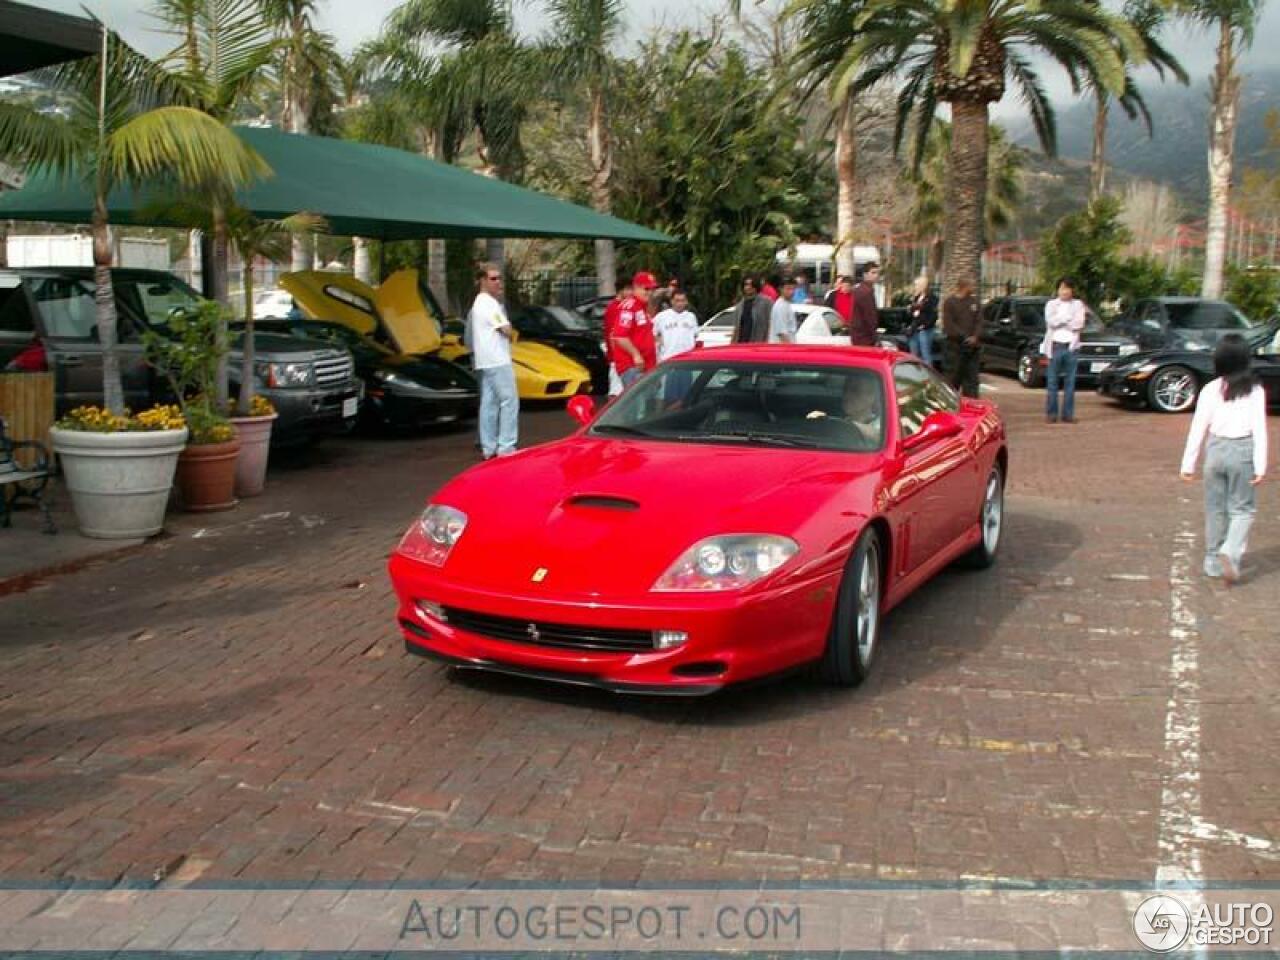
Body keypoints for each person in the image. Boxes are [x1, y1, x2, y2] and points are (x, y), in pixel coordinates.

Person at [1180, 334, 1268, 584]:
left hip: (1215, 450)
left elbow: (1198, 427)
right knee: (1242, 509)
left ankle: (1212, 560)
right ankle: (1231, 550)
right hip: (1242, 451)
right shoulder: (1255, 390)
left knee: (1215, 508)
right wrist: (1260, 464)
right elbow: (1259, 429)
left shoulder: (1210, 389)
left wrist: (1188, 463)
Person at [468, 262, 518, 459]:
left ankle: (488, 447)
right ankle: (506, 446)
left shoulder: (478, 303)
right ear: (482, 280)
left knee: (489, 404)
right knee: (509, 401)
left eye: (499, 278)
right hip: (498, 360)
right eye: (493, 278)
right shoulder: (489, 303)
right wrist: (509, 329)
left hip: (486, 360)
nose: (498, 282)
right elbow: (505, 329)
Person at [1041, 277, 1087, 423]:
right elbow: (1051, 322)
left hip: (1071, 347)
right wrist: (1066, 319)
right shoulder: (1051, 304)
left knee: (1070, 382)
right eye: (1061, 288)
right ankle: (1051, 414)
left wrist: (1062, 320)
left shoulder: (1078, 305)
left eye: (1067, 288)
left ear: (1072, 290)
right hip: (1055, 346)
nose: (1064, 291)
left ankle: (1068, 414)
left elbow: (1078, 324)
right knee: (1052, 382)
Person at [612, 271, 658, 388]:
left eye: (652, 289)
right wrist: (636, 355)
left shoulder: (642, 307)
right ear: (636, 288)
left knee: (647, 403)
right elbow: (619, 335)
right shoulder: (629, 307)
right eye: (646, 289)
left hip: (646, 366)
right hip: (633, 367)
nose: (650, 293)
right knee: (638, 404)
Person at [941, 277, 983, 398]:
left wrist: (975, 336)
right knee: (952, 381)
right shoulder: (950, 303)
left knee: (972, 382)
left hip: (972, 350)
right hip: (955, 349)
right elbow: (949, 325)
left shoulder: (974, 303)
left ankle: (972, 408)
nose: (973, 287)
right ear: (964, 286)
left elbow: (979, 321)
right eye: (971, 285)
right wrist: (964, 337)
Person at [652, 290, 699, 362]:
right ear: (671, 301)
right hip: (668, 358)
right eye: (677, 300)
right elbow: (653, 333)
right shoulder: (661, 316)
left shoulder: (691, 317)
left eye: (682, 300)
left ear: (686, 302)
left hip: (687, 359)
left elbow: (695, 335)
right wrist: (660, 343)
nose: (680, 303)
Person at [603, 279, 631, 397]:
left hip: (626, 359)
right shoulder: (614, 308)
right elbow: (612, 335)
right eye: (629, 289)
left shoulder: (625, 307)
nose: (631, 292)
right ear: (621, 290)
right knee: (616, 393)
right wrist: (617, 357)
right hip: (618, 360)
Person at [905, 275, 938, 367]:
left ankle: (928, 376)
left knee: (925, 354)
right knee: (913, 354)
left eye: (917, 285)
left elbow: (933, 314)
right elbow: (911, 311)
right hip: (914, 327)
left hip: (924, 329)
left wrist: (925, 325)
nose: (915, 287)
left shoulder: (931, 297)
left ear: (923, 285)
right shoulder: (916, 297)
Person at [731, 275, 772, 344]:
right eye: (746, 284)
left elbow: (770, 325)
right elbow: (736, 329)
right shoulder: (739, 306)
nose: (748, 287)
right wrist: (732, 345)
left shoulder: (766, 302)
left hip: (759, 346)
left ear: (756, 286)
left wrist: (767, 343)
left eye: (751, 284)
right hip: (741, 346)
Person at [849, 261, 880, 347]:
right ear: (865, 274)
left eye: (877, 273)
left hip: (859, 335)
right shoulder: (865, 292)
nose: (876, 275)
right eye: (873, 273)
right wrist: (875, 337)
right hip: (864, 337)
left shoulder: (860, 289)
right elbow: (870, 317)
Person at [769, 278, 798, 343]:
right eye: (788, 289)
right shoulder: (781, 306)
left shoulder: (786, 304)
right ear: (781, 289)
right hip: (782, 349)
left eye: (793, 289)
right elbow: (782, 333)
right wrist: (791, 350)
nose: (791, 292)